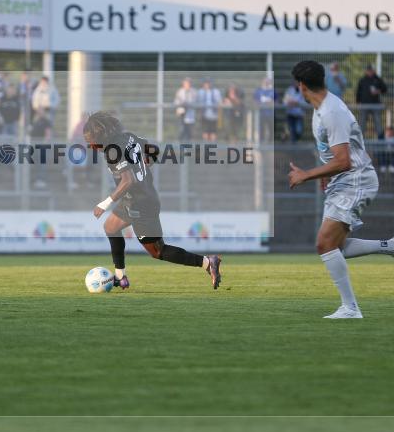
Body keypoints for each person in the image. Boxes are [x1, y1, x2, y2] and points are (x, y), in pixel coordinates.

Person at [286, 61, 394, 319]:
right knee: (336, 246)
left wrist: (307, 175)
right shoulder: (322, 108)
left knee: (324, 243)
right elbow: (336, 154)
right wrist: (325, 173)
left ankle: (350, 308)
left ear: (302, 86)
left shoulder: (331, 112)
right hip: (344, 179)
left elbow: (345, 161)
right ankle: (391, 246)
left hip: (355, 180)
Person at [83, 111, 221, 290]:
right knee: (110, 227)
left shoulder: (112, 152)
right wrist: (148, 161)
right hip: (133, 200)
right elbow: (153, 149)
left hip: (142, 204)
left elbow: (128, 180)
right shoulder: (128, 137)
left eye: (92, 143)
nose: (91, 147)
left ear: (101, 137)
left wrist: (104, 203)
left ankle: (208, 262)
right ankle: (120, 277)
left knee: (158, 251)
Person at [355, 65, 387, 139]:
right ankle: (360, 139)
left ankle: (380, 139)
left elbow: (385, 89)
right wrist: (358, 102)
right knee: (362, 123)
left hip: (375, 105)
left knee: (378, 122)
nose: (370, 72)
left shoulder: (378, 79)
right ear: (366, 71)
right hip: (364, 105)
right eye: (368, 70)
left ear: (373, 71)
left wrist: (378, 91)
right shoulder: (362, 80)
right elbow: (358, 92)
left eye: (371, 70)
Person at [253, 76, 278, 143]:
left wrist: (271, 102)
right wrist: (261, 103)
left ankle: (270, 142)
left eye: (268, 81)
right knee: (261, 129)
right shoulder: (258, 91)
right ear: (262, 82)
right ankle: (261, 142)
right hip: (261, 114)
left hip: (271, 114)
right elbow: (255, 101)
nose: (266, 83)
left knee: (271, 129)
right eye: (265, 81)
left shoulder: (273, 91)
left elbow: (276, 101)